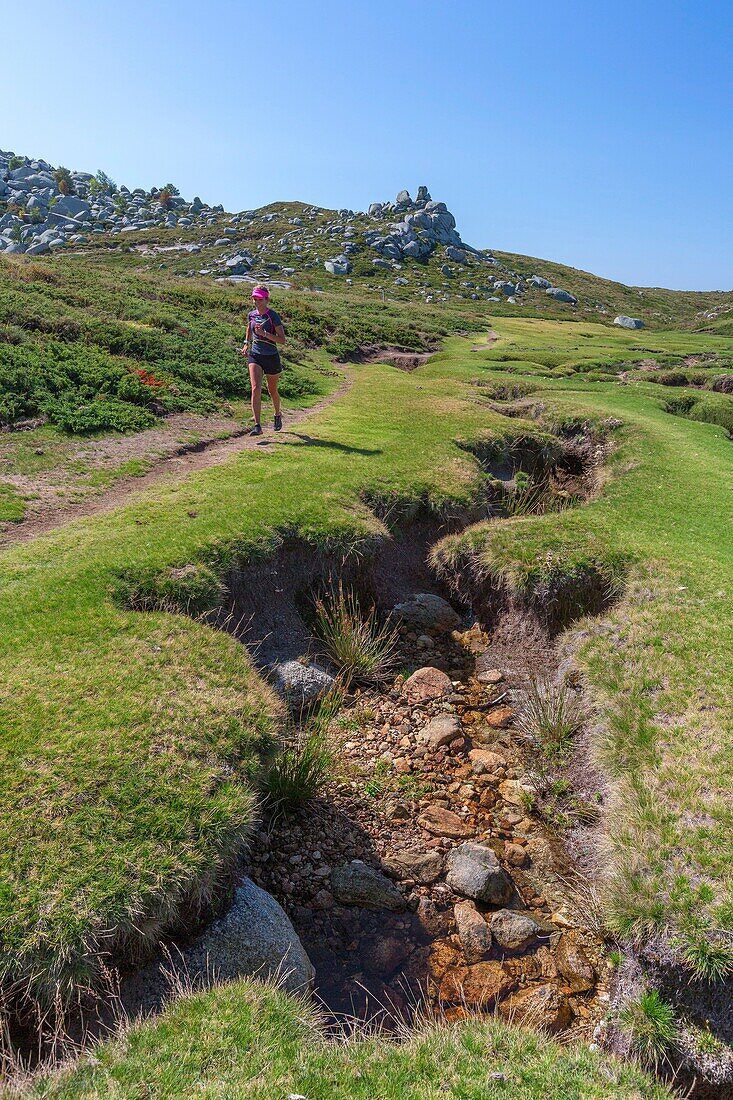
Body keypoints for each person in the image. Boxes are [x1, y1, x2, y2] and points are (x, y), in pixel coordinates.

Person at [240, 286, 286, 435]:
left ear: (267, 299)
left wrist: (265, 334)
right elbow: (249, 328)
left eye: (260, 299)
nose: (257, 302)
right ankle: (257, 425)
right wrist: (246, 344)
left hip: (271, 356)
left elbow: (282, 340)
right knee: (255, 388)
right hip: (256, 355)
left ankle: (277, 413)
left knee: (272, 390)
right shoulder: (251, 315)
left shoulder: (273, 316)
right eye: (255, 299)